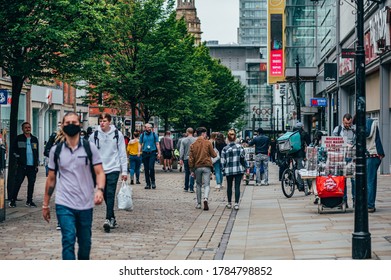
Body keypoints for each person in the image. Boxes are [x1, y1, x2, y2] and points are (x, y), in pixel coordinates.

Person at [42, 112, 105, 260]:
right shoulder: (55, 151)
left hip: (85, 203)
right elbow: (51, 179)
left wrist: (100, 190)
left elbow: (100, 172)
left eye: (74, 123)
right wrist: (45, 204)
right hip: (64, 203)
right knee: (68, 240)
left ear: (80, 125)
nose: (71, 125)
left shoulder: (90, 148)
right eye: (67, 123)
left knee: (85, 244)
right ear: (63, 126)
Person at [89, 113, 128, 233]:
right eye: (100, 120)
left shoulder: (117, 134)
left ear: (109, 122)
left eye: (104, 121)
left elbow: (122, 153)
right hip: (100, 169)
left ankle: (107, 219)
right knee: (104, 194)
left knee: (110, 192)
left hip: (113, 167)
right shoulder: (94, 135)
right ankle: (112, 217)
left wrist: (124, 170)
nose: (102, 123)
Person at [9, 122, 39, 208]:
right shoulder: (19, 138)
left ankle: (29, 201)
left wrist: (36, 164)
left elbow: (36, 152)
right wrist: (18, 157)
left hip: (32, 166)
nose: (28, 129)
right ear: (22, 129)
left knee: (31, 184)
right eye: (26, 127)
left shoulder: (34, 139)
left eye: (29, 127)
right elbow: (13, 150)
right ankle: (13, 200)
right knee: (18, 183)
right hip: (22, 166)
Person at [188, 127, 217, 210]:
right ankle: (206, 198)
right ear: (203, 134)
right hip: (207, 166)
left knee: (198, 184)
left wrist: (191, 169)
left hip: (197, 166)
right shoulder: (208, 143)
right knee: (207, 184)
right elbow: (214, 155)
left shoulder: (193, 145)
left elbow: (191, 159)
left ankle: (199, 203)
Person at [221, 129, 247, 210]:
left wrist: (223, 170)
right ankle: (236, 203)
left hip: (229, 170)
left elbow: (223, 161)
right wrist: (245, 167)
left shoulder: (225, 149)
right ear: (235, 138)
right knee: (237, 186)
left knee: (229, 186)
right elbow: (243, 158)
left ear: (228, 138)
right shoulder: (240, 147)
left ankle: (229, 203)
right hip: (238, 169)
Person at [333, 113, 355, 207]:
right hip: (341, 157)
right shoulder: (337, 129)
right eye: (346, 123)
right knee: (342, 180)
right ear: (343, 120)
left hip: (352, 157)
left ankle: (355, 201)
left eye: (349, 123)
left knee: (354, 180)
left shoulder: (354, 129)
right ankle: (344, 201)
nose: (347, 125)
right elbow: (333, 142)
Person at [365, 118, 385, 213]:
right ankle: (369, 203)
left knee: (370, 181)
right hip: (372, 155)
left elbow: (367, 133)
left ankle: (370, 205)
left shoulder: (369, 122)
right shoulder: (369, 122)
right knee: (370, 181)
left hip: (373, 155)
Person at [138, 123, 161, 189]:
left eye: (148, 127)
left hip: (152, 153)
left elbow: (157, 144)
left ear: (151, 128)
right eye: (146, 127)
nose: (147, 128)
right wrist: (139, 151)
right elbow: (140, 143)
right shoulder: (142, 135)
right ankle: (148, 183)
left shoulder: (154, 135)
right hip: (145, 153)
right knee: (146, 169)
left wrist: (159, 153)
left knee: (151, 167)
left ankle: (153, 182)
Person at [291, 122, 311, 190]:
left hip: (292, 154)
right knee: (301, 169)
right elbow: (309, 144)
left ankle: (291, 177)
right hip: (300, 154)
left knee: (295, 167)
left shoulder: (292, 134)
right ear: (302, 127)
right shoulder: (304, 133)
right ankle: (301, 185)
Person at [179, 127, 197, 193]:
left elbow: (182, 150)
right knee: (192, 172)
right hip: (194, 158)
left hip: (186, 158)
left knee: (187, 173)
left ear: (187, 132)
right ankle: (191, 188)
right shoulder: (195, 140)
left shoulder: (183, 140)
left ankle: (186, 187)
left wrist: (181, 158)